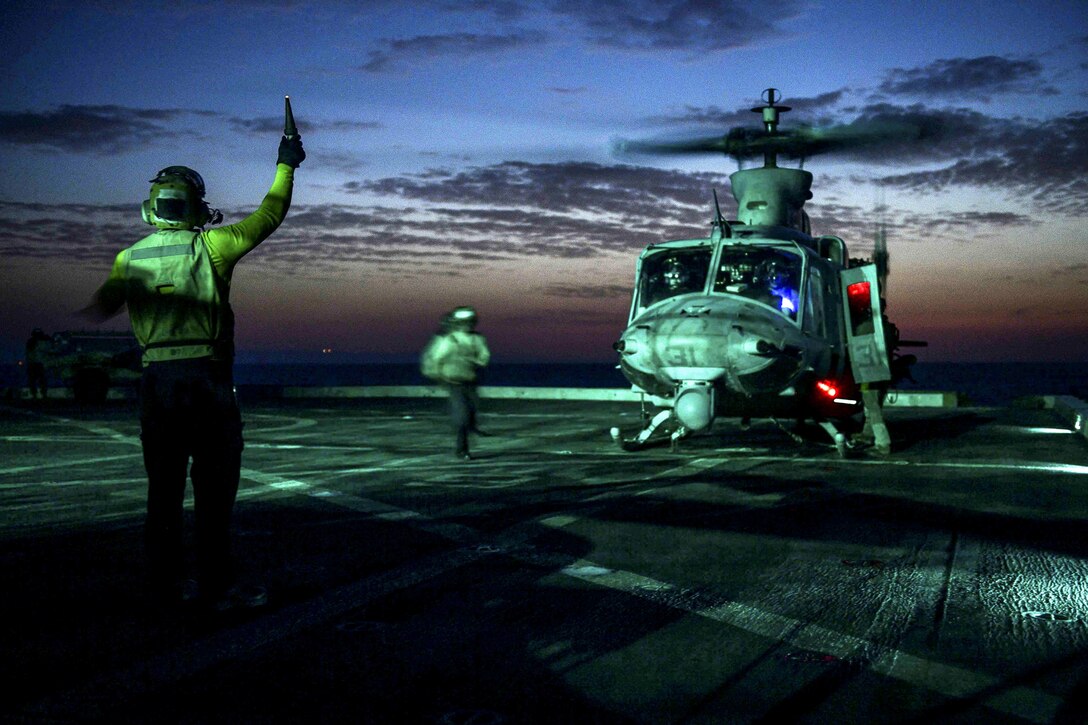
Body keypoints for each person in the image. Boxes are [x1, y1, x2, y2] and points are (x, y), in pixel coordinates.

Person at [82, 131, 305, 609]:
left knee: (162, 492)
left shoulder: (129, 258)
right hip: (205, 381)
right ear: (197, 208)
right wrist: (286, 164)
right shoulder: (214, 247)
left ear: (152, 208)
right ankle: (216, 587)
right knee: (214, 489)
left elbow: (100, 307)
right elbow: (270, 215)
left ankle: (164, 587)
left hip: (155, 384)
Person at [420, 307, 491, 460]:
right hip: (454, 382)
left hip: (470, 381)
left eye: (468, 322)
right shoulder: (448, 340)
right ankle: (462, 449)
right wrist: (438, 376)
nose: (466, 325)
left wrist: (471, 359)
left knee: (472, 410)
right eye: (463, 322)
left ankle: (470, 427)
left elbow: (484, 359)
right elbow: (437, 359)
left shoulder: (477, 339)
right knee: (462, 416)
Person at [25, 328, 51, 400]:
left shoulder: (30, 342)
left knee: (35, 380)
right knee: (40, 380)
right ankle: (41, 394)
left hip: (33, 364)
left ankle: (36, 395)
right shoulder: (40, 342)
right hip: (38, 364)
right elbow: (47, 350)